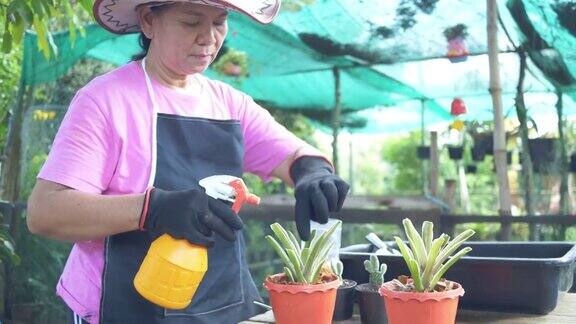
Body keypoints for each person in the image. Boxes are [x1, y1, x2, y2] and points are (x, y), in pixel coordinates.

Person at [26, 0, 349, 323]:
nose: (209, 38)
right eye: (191, 22)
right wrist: (153, 209)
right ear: (149, 21)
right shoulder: (105, 100)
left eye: (219, 22)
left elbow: (294, 155)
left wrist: (312, 171)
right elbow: (46, 212)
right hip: (123, 305)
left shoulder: (229, 104)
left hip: (222, 305)